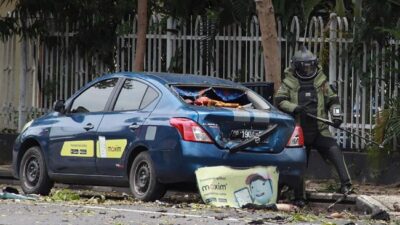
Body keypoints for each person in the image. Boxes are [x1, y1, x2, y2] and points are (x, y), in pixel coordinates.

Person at [274, 46, 353, 200]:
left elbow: (333, 100)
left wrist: (337, 117)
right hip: (299, 132)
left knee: (335, 152)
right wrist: (295, 108)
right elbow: (280, 101)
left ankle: (346, 185)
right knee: (299, 163)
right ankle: (297, 195)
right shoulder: (289, 82)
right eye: (305, 67)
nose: (308, 70)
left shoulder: (321, 81)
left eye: (311, 66)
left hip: (320, 130)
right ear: (296, 67)